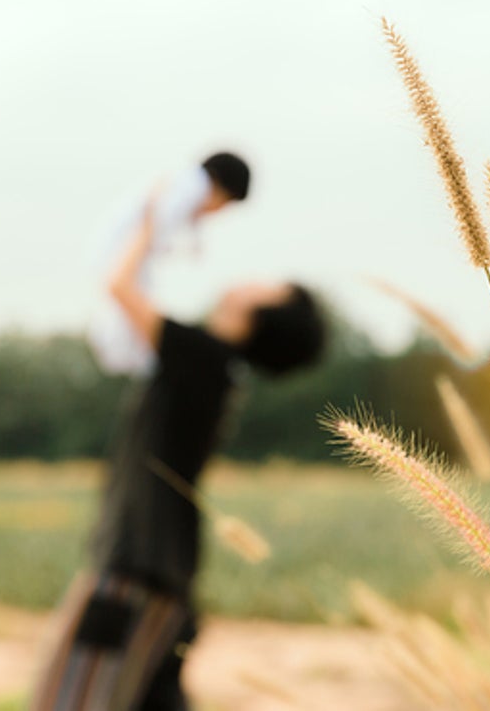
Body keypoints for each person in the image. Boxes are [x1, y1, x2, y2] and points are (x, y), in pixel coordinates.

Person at [31, 189, 325, 710]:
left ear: (263, 313)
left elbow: (119, 286)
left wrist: (147, 227)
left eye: (268, 287)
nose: (248, 280)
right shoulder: (214, 372)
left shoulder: (203, 360)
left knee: (67, 702)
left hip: (133, 571)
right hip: (158, 572)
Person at [86, 152, 252, 377]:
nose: (217, 213)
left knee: (132, 309)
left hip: (121, 251)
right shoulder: (192, 187)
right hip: (122, 251)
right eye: (225, 205)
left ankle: (137, 360)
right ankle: (139, 363)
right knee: (130, 310)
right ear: (223, 190)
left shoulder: (188, 184)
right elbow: (158, 219)